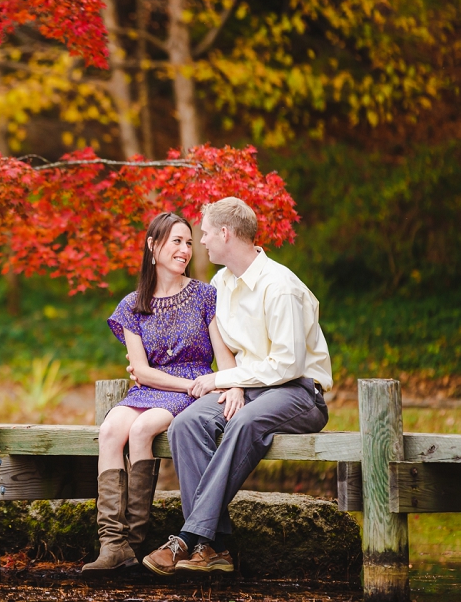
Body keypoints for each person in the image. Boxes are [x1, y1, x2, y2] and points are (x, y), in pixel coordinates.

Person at [141, 197, 332, 576]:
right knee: (187, 423)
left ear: (226, 233)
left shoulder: (280, 287)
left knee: (245, 424)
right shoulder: (221, 282)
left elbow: (287, 364)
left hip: (299, 393)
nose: (204, 241)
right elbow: (222, 346)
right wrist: (234, 385)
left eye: (207, 233)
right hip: (250, 387)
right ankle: (214, 549)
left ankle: (189, 537)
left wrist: (226, 380)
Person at [82, 212, 239, 576]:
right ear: (153, 246)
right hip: (160, 386)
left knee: (140, 431)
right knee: (109, 431)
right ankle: (112, 545)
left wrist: (228, 383)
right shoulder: (132, 304)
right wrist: (186, 385)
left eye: (188, 242)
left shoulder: (205, 295)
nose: (185, 250)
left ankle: (134, 543)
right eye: (176, 242)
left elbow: (223, 355)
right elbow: (140, 369)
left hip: (195, 383)